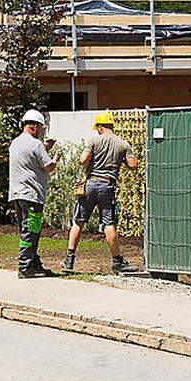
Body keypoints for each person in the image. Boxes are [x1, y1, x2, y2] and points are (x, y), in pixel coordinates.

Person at [61, 111, 139, 274]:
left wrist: (91, 159)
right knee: (109, 224)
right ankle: (117, 262)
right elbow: (133, 165)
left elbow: (83, 161)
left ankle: (69, 261)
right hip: (107, 187)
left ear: (101, 127)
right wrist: (120, 160)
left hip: (89, 186)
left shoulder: (93, 140)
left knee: (78, 222)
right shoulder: (123, 144)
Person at [9, 109, 60, 278]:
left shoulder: (15, 143)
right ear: (33, 125)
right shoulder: (36, 144)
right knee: (31, 231)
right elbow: (48, 167)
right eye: (39, 126)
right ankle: (24, 267)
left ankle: (35, 265)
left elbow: (31, 157)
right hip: (32, 195)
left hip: (17, 195)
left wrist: (46, 148)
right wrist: (56, 158)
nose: (41, 130)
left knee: (28, 230)